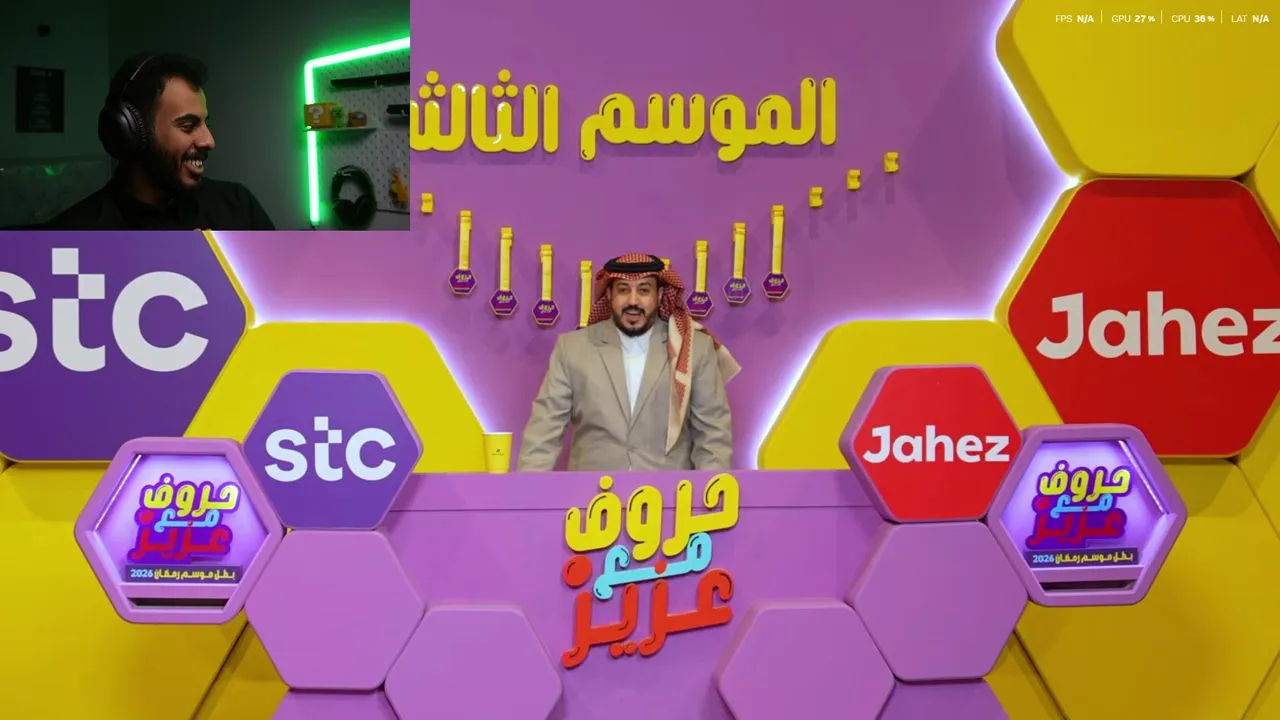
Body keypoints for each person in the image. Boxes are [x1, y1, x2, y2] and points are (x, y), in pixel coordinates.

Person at [518, 253, 740, 471]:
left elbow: (713, 436)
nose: (633, 301)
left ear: (660, 295)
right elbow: (544, 431)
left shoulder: (693, 348)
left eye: (644, 290)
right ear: (609, 295)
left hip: (669, 493)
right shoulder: (572, 348)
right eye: (623, 290)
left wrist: (711, 491)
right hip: (591, 492)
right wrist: (526, 490)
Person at [43, 53, 274, 230]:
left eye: (206, 124)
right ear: (131, 132)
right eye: (188, 126)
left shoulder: (238, 208)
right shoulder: (72, 236)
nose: (209, 141)